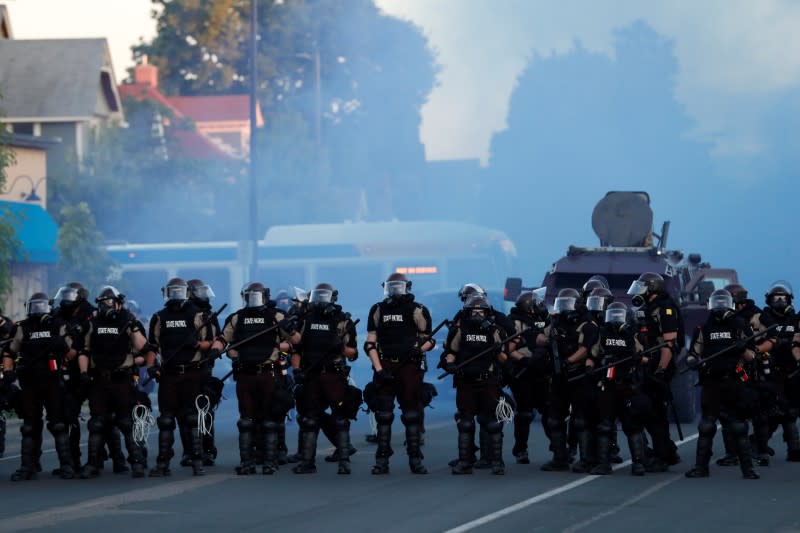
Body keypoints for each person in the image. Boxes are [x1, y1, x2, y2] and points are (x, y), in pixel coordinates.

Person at [211, 282, 300, 475]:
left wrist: (289, 329)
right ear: (245, 297)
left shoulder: (276, 316)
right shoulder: (237, 318)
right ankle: (247, 462)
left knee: (269, 419)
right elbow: (223, 339)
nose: (254, 299)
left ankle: (270, 461)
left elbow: (296, 341)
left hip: (269, 373)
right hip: (245, 374)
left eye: (257, 295)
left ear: (265, 296)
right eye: (251, 295)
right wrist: (215, 350)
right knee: (246, 420)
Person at [78, 286, 154, 479]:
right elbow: (84, 351)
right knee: (97, 424)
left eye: (110, 301)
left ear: (119, 303)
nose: (107, 305)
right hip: (99, 380)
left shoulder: (128, 322)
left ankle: (137, 463)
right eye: (103, 302)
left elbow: (145, 348)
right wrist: (84, 372)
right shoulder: (92, 323)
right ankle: (93, 464)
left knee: (126, 423)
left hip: (122, 380)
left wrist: (142, 363)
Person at [685, 289, 760, 479]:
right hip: (711, 381)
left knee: (738, 426)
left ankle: (748, 469)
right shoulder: (703, 328)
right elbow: (694, 352)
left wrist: (743, 349)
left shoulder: (740, 325)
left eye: (723, 302)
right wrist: (692, 361)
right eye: (716, 303)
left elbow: (752, 356)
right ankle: (701, 467)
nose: (719, 306)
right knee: (706, 426)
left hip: (734, 380)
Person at [364, 272, 434, 475]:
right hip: (385, 364)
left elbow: (429, 340)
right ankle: (381, 461)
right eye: (391, 287)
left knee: (411, 415)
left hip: (409, 366)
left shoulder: (417, 310)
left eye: (398, 286)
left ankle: (415, 460)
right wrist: (379, 369)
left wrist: (419, 350)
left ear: (407, 287)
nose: (394, 291)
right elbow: (370, 343)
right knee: (383, 416)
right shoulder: (378, 309)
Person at [3, 293, 76, 480]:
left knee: (59, 425)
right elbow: (10, 352)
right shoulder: (23, 327)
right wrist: (9, 371)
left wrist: (63, 347)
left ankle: (67, 465)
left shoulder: (58, 325)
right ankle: (28, 466)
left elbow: (72, 355)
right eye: (34, 307)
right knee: (29, 426)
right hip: (29, 383)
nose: (37, 310)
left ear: (49, 307)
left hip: (52, 381)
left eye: (41, 306)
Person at [146, 278, 213, 477]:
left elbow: (210, 342)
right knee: (166, 420)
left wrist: (196, 345)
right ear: (166, 293)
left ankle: (197, 462)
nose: (176, 295)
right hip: (169, 374)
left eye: (179, 291)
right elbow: (153, 346)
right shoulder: (159, 317)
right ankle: (163, 464)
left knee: (192, 419)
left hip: (192, 373)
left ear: (186, 292)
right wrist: (151, 366)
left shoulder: (198, 315)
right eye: (172, 291)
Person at [291, 283, 358, 474]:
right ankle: (307, 462)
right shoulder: (305, 320)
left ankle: (344, 461)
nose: (320, 301)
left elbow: (353, 353)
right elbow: (297, 349)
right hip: (311, 376)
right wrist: (296, 371)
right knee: (310, 418)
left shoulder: (343, 321)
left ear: (333, 298)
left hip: (334, 375)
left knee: (340, 418)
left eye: (324, 296)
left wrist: (341, 348)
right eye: (317, 296)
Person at [443, 295, 509, 475]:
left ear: (487, 313)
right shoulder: (459, 330)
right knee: (465, 422)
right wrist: (450, 363)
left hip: (488, 380)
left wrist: (498, 352)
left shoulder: (495, 331)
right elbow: (451, 352)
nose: (478, 314)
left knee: (493, 423)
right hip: (466, 381)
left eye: (481, 311)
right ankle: (465, 462)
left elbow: (504, 358)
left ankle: (497, 463)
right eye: (474, 311)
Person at [540, 288, 599, 473]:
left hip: (578, 374)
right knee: (554, 419)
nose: (565, 309)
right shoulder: (556, 321)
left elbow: (586, 348)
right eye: (562, 304)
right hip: (559, 377)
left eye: (568, 304)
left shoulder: (588, 324)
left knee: (581, 420)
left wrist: (569, 361)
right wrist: (548, 342)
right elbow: (540, 336)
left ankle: (586, 459)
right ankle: (560, 457)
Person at [627, 272, 682, 472]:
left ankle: (662, 457)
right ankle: (667, 451)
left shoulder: (665, 308)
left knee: (656, 413)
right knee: (650, 412)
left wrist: (660, 371)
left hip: (659, 365)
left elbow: (669, 344)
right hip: (649, 364)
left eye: (643, 286)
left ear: (652, 288)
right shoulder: (649, 308)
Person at [588, 302, 650, 475]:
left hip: (628, 386)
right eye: (612, 315)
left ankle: (638, 464)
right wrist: (589, 369)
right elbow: (592, 355)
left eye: (619, 316)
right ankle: (603, 463)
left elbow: (647, 359)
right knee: (605, 426)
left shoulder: (634, 335)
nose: (615, 320)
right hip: (607, 386)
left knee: (632, 426)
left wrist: (636, 358)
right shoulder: (602, 333)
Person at [506, 289, 550, 465]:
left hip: (543, 371)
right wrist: (525, 360)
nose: (540, 306)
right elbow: (509, 349)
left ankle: (559, 449)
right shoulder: (514, 323)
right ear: (528, 307)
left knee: (549, 411)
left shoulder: (546, 320)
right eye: (536, 303)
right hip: (522, 371)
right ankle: (521, 450)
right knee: (524, 413)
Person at [759, 281, 800, 461]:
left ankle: (794, 450)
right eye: (776, 298)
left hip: (792, 370)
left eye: (783, 298)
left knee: (791, 411)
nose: (780, 301)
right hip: (769, 370)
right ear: (769, 300)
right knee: (774, 411)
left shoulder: (796, 320)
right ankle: (758, 445)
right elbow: (754, 342)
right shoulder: (761, 319)